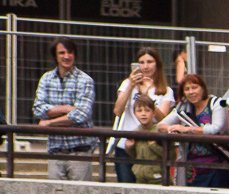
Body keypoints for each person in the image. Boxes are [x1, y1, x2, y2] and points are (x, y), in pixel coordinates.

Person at [33, 37, 97, 181]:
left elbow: (81, 115)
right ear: (55, 56)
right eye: (62, 53)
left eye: (70, 52)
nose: (66, 56)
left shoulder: (85, 80)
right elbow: (38, 109)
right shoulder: (46, 78)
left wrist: (49, 123)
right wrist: (66, 108)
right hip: (55, 149)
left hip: (80, 150)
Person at [110, 48, 174, 183]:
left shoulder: (166, 90)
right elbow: (117, 110)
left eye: (150, 62)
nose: (146, 66)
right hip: (127, 144)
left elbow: (163, 118)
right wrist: (131, 85)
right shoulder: (127, 84)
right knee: (125, 188)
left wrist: (146, 97)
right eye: (142, 62)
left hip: (151, 147)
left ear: (157, 64)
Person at [157, 73, 229, 187]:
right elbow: (160, 125)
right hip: (192, 167)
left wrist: (186, 130)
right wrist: (171, 128)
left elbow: (217, 128)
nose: (191, 92)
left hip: (217, 163)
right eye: (187, 89)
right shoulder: (183, 107)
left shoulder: (216, 103)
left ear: (203, 88)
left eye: (194, 87)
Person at [124, 96, 164, 184]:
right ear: (134, 113)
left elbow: (170, 155)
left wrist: (153, 145)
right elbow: (135, 155)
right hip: (140, 176)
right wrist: (129, 148)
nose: (143, 114)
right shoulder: (135, 132)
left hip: (158, 177)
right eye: (139, 111)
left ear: (153, 113)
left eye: (147, 110)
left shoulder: (160, 131)